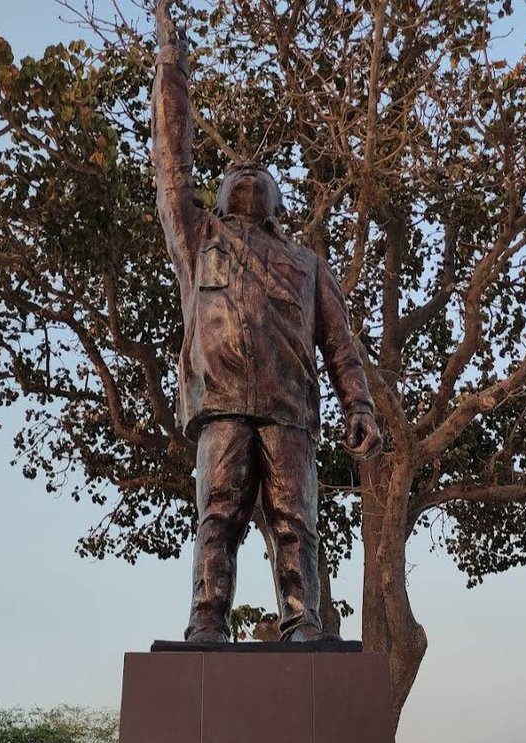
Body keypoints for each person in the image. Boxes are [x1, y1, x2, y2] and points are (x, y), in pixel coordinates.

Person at [152, 1, 382, 643]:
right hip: (221, 405)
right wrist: (171, 62)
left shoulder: (308, 264)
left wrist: (358, 405)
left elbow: (340, 342)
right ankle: (208, 618)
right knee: (217, 513)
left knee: (296, 519)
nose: (246, 174)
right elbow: (172, 162)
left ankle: (301, 618)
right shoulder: (199, 241)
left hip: (289, 409)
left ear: (280, 198)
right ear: (219, 195)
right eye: (234, 174)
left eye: (260, 175)